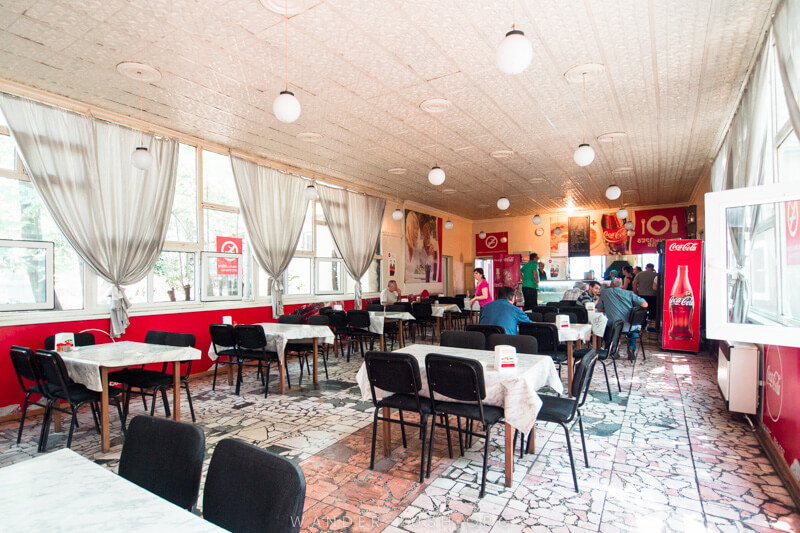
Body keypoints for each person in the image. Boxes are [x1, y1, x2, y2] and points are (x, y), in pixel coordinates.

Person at [596, 278, 648, 358]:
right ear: (622, 286)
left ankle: (613, 350)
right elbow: (645, 304)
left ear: (611, 285)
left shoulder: (604, 292)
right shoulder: (629, 294)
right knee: (634, 328)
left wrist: (610, 307)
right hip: (629, 325)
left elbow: (599, 308)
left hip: (613, 326)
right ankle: (631, 348)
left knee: (608, 327)